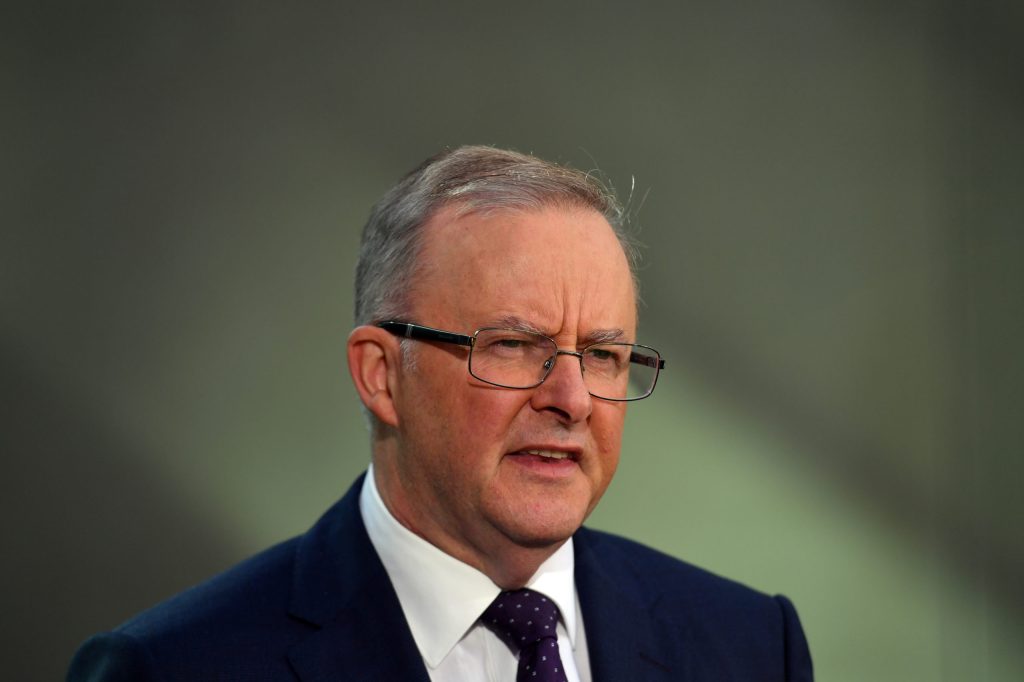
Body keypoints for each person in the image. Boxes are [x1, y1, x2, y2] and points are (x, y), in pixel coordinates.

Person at [68, 146, 813, 681]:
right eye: (516, 346)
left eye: (604, 355)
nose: (573, 400)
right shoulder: (172, 667)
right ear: (382, 375)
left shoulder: (750, 646)